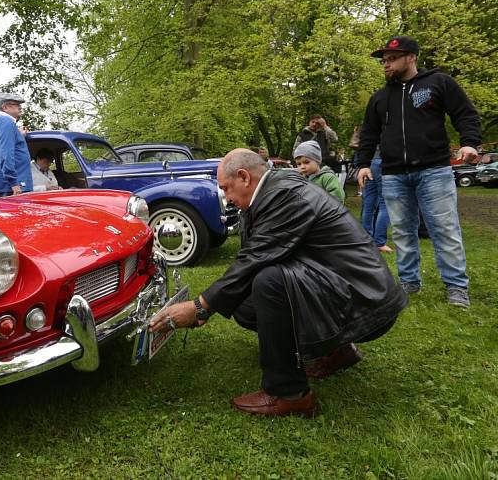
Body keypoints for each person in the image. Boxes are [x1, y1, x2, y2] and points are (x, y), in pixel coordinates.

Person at [149, 149, 406, 417]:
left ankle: (288, 393)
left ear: (244, 177)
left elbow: (256, 260)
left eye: (226, 188)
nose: (226, 197)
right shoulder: (272, 192)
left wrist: (201, 307)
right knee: (247, 305)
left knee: (269, 281)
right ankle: (336, 353)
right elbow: (253, 257)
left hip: (368, 301)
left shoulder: (284, 196)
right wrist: (212, 303)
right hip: (353, 290)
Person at [356, 36, 481, 307]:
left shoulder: (439, 83)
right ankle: (409, 283)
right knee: (401, 231)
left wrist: (470, 142)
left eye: (392, 59)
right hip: (393, 175)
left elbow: (465, 114)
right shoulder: (380, 98)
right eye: (384, 61)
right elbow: (369, 134)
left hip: (434, 170)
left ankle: (457, 287)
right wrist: (364, 163)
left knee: (444, 228)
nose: (385, 65)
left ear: (411, 57)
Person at [0, 92, 33, 198]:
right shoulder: (6, 122)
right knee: (14, 214)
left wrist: (18, 136)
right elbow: (5, 154)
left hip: (1, 185)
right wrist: (14, 182)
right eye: (16, 104)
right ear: (5, 107)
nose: (20, 107)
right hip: (11, 187)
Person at [360, 147, 392, 253]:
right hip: (384, 161)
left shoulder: (370, 131)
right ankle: (379, 242)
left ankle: (365, 239)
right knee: (385, 204)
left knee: (369, 203)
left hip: (370, 163)